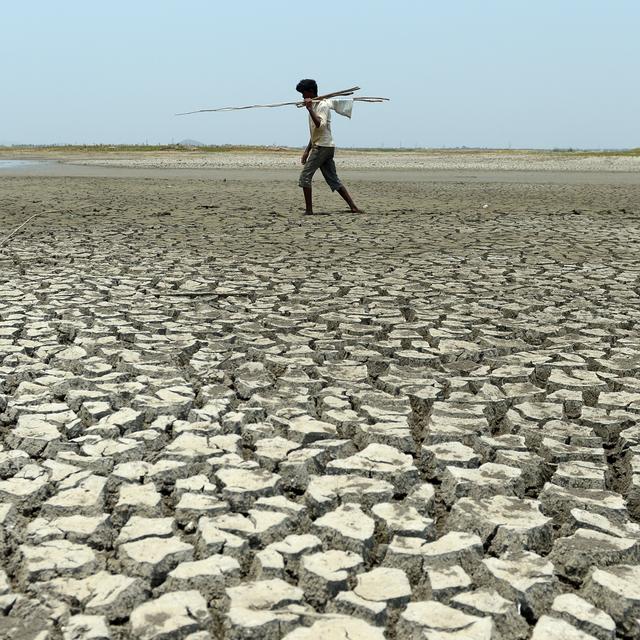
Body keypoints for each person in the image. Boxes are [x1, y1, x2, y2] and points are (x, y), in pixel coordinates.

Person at [296, 79, 363, 215]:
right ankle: (353, 207)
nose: (302, 97)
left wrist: (309, 109)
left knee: (305, 177)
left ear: (310, 92)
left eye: (304, 93)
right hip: (323, 145)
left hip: (323, 147)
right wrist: (306, 151)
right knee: (333, 179)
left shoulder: (322, 105)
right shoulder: (314, 105)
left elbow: (320, 124)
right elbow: (315, 132)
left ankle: (309, 211)